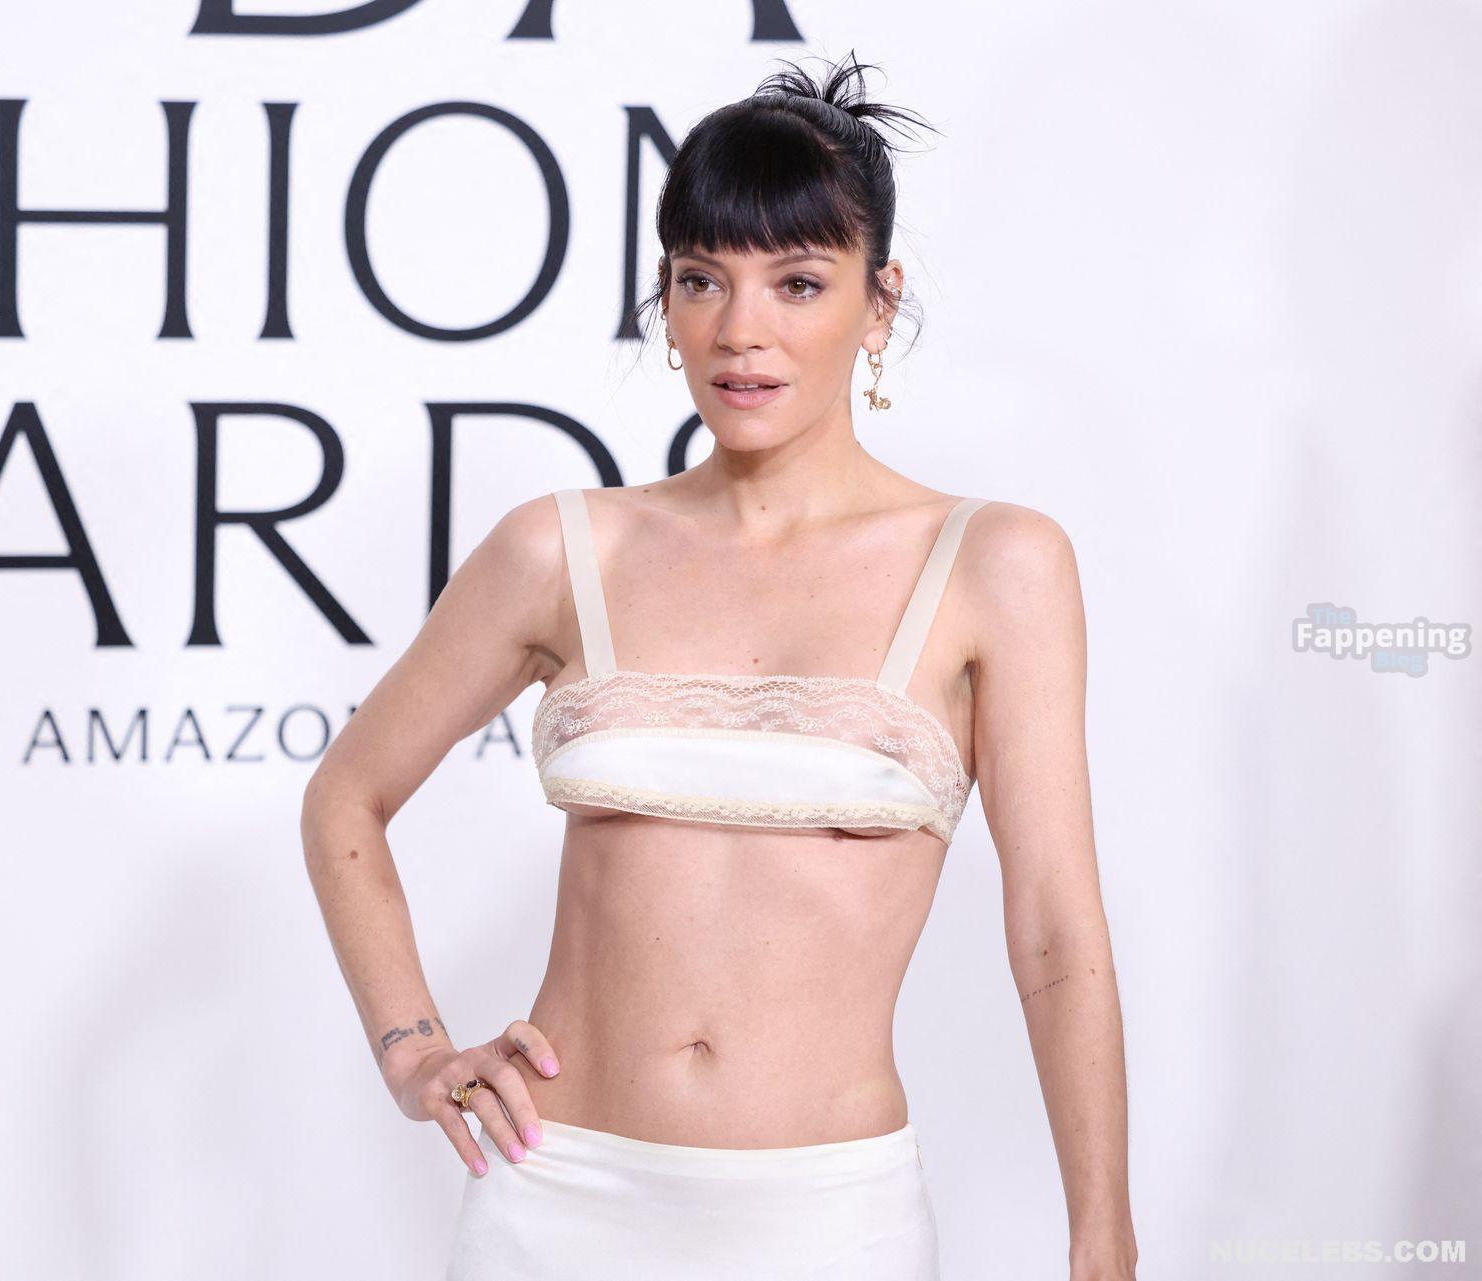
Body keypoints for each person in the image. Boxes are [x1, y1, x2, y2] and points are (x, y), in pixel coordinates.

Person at [300, 53, 1136, 1281]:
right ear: (667, 298)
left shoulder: (994, 564)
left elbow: (1056, 930)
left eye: (798, 283)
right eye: (703, 279)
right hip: (554, 1200)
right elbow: (346, 798)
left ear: (880, 304)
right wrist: (414, 1051)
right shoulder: (560, 549)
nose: (742, 332)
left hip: (830, 1222)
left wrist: (1102, 1233)